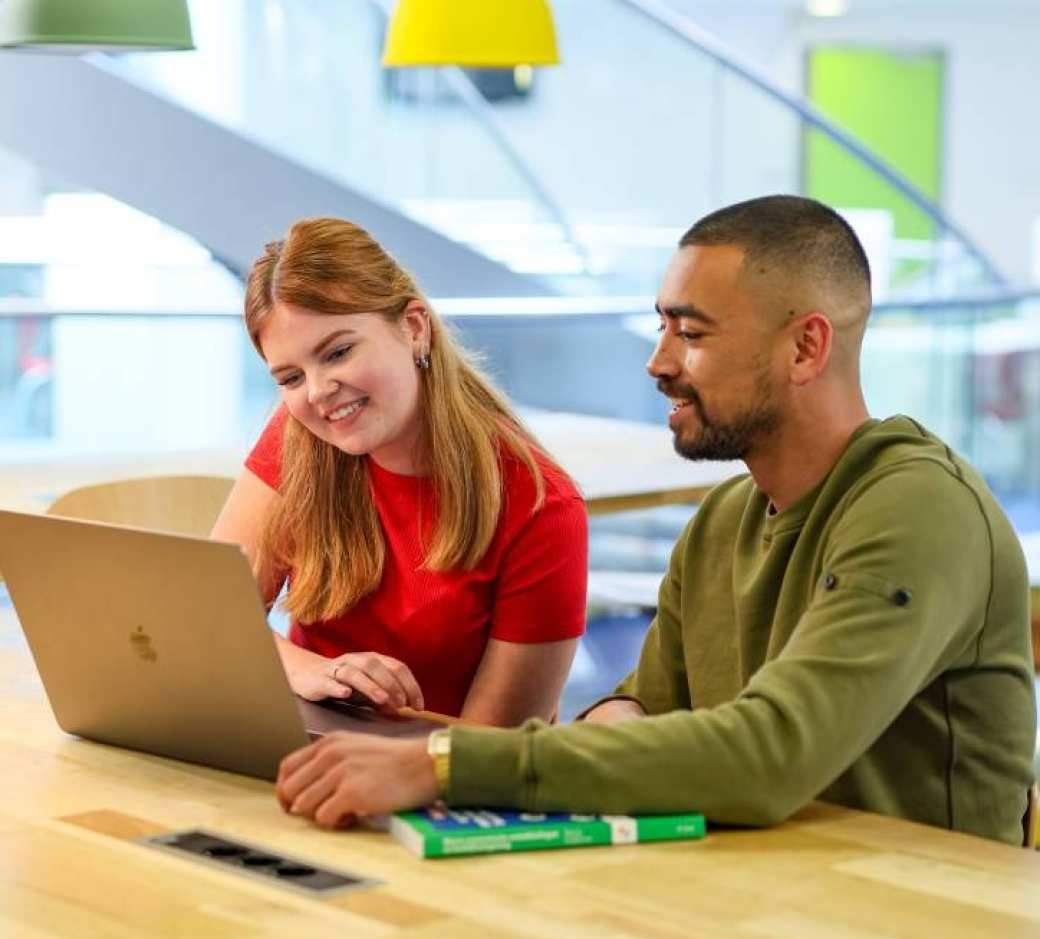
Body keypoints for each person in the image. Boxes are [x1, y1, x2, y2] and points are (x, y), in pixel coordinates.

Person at [275, 196, 1037, 845]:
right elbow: (644, 708)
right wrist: (604, 723)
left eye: (692, 333)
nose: (658, 361)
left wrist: (444, 761)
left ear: (806, 347)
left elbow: (772, 754)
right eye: (662, 327)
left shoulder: (920, 509)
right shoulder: (724, 518)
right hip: (757, 901)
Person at [212, 217, 587, 724]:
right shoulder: (297, 436)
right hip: (303, 746)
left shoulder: (542, 507)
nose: (319, 392)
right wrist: (305, 669)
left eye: (339, 352)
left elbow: (492, 752)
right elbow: (209, 618)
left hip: (432, 780)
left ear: (413, 327)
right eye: (291, 377)